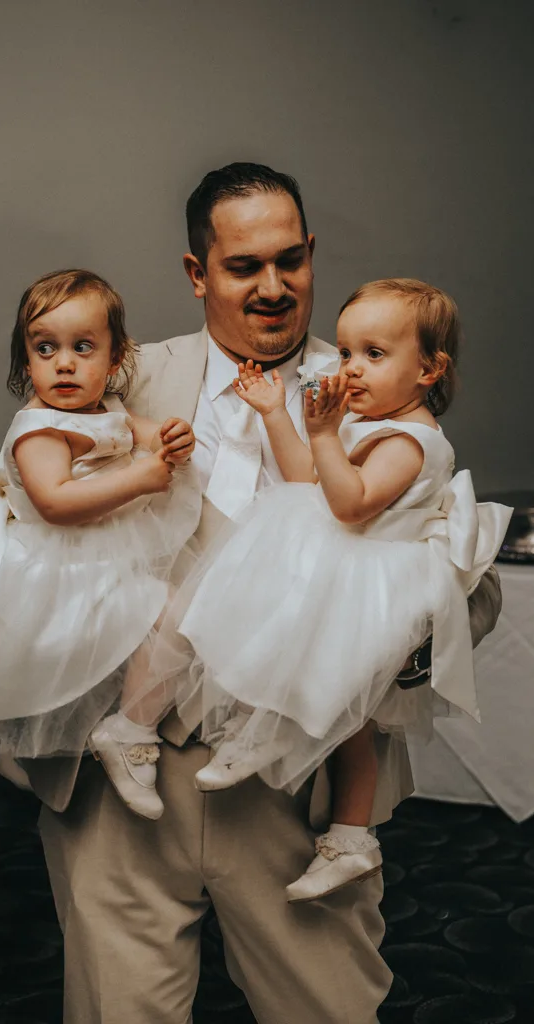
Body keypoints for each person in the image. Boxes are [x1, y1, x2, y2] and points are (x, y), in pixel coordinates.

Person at [23, 164, 502, 1024]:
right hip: (123, 782)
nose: (274, 288)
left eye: (291, 261)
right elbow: (28, 521)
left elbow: (469, 580)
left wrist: (391, 637)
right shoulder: (118, 375)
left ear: (313, 254)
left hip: (300, 783)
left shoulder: (375, 384)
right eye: (244, 267)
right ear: (196, 272)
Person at [160, 278, 511, 903]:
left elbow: (348, 507)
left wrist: (324, 434)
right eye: (347, 353)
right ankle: (350, 839)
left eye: (374, 354)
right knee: (348, 723)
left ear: (430, 369)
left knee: (342, 710)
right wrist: (277, 414)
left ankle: (307, 788)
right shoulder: (370, 422)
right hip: (343, 575)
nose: (351, 369)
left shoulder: (410, 440)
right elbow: (307, 486)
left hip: (371, 588)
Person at [0, 269, 200, 821]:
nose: (64, 362)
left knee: (139, 635)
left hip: (101, 550)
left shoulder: (106, 406)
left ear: (114, 360)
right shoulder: (38, 428)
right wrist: (140, 479)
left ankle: (76, 740)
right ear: (26, 360)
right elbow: (55, 501)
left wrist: (169, 436)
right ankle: (106, 740)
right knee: (54, 665)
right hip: (54, 566)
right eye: (46, 348)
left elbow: (141, 430)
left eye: (83, 347)